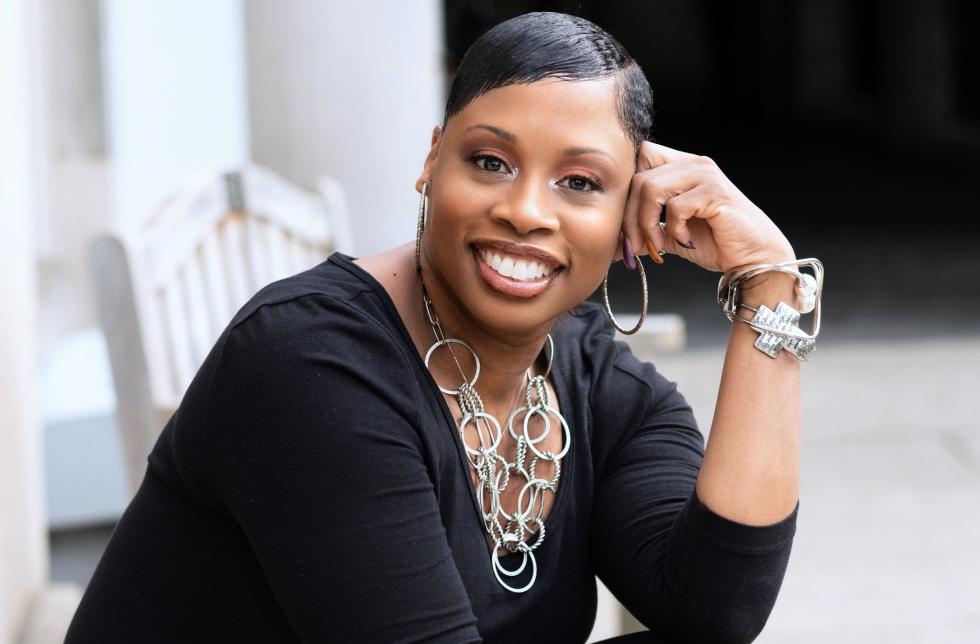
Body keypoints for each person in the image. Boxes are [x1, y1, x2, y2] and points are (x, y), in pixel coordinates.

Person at [66, 11, 818, 644]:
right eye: (490, 161)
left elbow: (717, 611)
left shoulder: (596, 379)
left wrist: (770, 282)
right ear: (433, 161)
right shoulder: (310, 363)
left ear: (630, 212)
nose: (526, 211)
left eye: (580, 182)